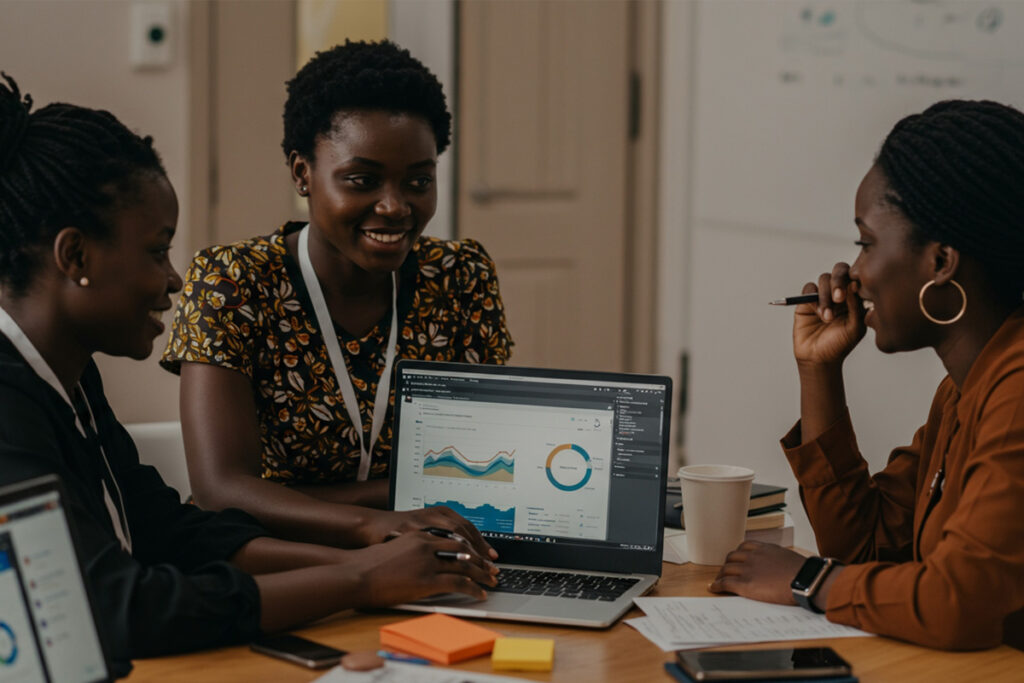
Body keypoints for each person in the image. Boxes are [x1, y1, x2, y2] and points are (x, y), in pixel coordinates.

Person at [0, 73, 497, 671]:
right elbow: (118, 610)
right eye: (158, 251)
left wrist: (384, 560)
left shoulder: (67, 377)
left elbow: (172, 534)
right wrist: (359, 579)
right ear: (75, 256)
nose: (175, 280)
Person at [160, 41, 512, 553]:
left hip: (427, 549)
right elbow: (221, 491)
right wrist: (386, 514)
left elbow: (483, 471)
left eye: (418, 180)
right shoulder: (233, 281)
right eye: (362, 180)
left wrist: (377, 511)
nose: (395, 207)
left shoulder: (460, 277)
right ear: (302, 173)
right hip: (275, 555)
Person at [709, 100, 1024, 650]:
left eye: (866, 244)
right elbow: (868, 545)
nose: (854, 274)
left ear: (941, 261)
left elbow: (959, 602)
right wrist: (819, 371)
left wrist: (808, 580)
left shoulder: (1016, 392)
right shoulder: (964, 389)